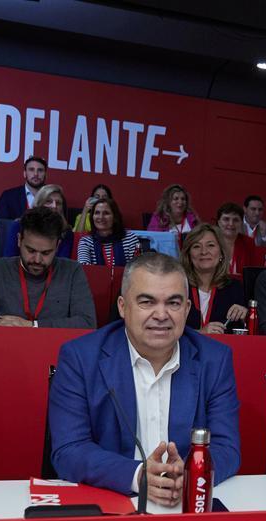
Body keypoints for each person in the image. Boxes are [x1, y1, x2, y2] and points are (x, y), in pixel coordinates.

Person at [48, 252, 241, 504]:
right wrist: (137, 475)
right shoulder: (81, 358)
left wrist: (191, 475)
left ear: (186, 309)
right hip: (111, 505)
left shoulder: (215, 359)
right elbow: (69, 450)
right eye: (147, 302)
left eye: (173, 303)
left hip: (187, 504)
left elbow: (227, 448)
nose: (161, 315)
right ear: (122, 307)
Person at [0, 206, 95, 328]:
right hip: (1, 348)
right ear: (19, 240)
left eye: (46, 253)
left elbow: (87, 323)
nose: (37, 260)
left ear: (57, 246)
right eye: (31, 250)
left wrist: (32, 326)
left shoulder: (72, 271)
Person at [180, 224, 247, 334]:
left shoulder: (234, 288)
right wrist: (200, 333)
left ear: (221, 253)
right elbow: (168, 330)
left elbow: (240, 332)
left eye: (210, 245)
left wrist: (244, 316)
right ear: (188, 255)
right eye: (196, 246)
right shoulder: (178, 286)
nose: (204, 252)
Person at [0, 183, 74, 258]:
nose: (54, 206)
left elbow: (62, 264)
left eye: (58, 203)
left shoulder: (66, 232)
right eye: (48, 201)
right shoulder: (19, 226)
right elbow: (8, 260)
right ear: (39, 204)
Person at [75, 197, 143, 266]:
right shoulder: (85, 242)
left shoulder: (130, 238)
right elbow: (85, 270)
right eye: (97, 213)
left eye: (106, 213)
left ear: (115, 217)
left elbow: (137, 268)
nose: (101, 217)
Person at [0, 156, 47, 221]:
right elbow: (1, 226)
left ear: (45, 175)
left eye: (40, 170)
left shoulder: (53, 198)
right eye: (31, 169)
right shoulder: (8, 197)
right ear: (24, 173)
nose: (36, 174)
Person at [214, 202, 253, 277]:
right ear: (219, 222)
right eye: (226, 219)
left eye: (236, 220)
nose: (231, 224)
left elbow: (250, 274)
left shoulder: (248, 243)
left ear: (241, 223)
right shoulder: (210, 242)